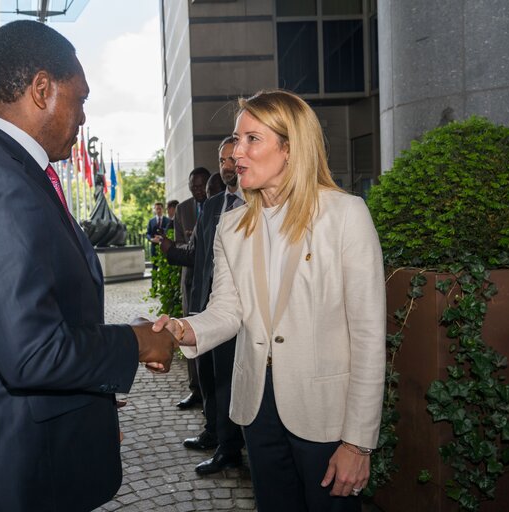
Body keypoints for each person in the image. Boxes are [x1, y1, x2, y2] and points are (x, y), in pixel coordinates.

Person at [0, 20, 176, 512]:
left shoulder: (5, 170)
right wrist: (138, 341)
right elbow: (31, 353)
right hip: (6, 475)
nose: (82, 118)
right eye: (79, 100)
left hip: (34, 456)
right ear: (42, 89)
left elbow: (46, 317)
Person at [153, 90, 386, 512]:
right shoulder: (231, 225)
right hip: (256, 410)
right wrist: (182, 330)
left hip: (326, 415)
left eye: (251, 139)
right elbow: (228, 310)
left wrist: (358, 442)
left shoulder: (346, 216)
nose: (236, 152)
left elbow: (370, 338)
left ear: (290, 148)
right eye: (235, 139)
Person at [155, 136, 246, 475]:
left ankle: (234, 445)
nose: (226, 166)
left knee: (231, 379)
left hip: (242, 318)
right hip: (206, 308)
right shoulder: (211, 207)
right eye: (221, 160)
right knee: (210, 379)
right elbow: (199, 258)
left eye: (230, 159)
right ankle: (220, 440)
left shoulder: (257, 205)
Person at [173, 167, 211, 410]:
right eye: (193, 187)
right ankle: (195, 389)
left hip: (212, 281)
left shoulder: (218, 204)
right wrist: (189, 243)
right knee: (188, 332)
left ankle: (212, 392)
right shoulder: (183, 209)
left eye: (200, 186)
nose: (197, 191)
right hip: (190, 280)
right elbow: (177, 243)